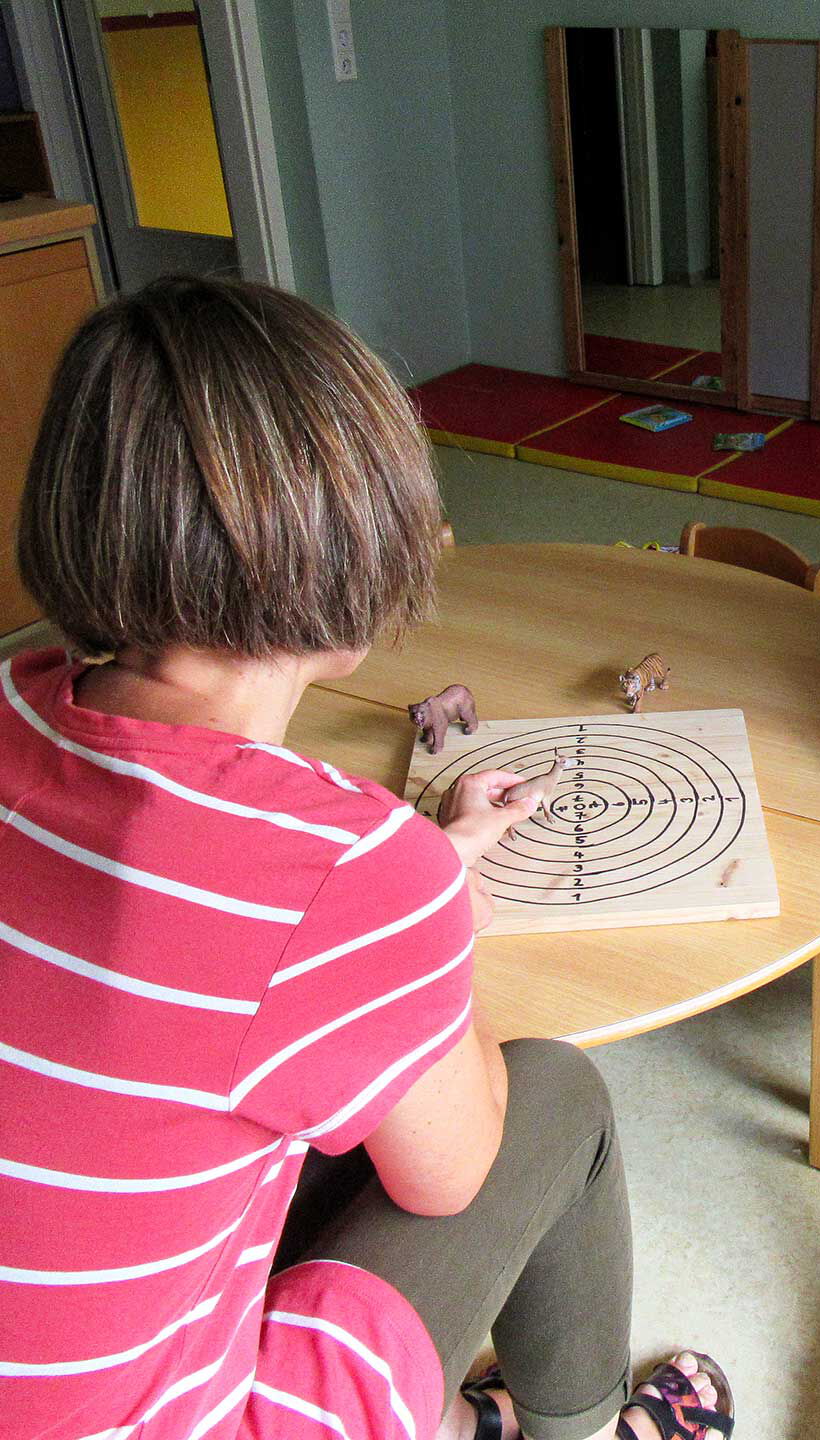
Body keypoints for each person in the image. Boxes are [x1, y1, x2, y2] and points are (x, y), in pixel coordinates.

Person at [0, 276, 734, 1440]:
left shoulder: (16, 696)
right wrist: (423, 902)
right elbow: (451, 1175)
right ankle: (588, 1425)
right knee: (554, 1096)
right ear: (349, 553)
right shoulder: (350, 871)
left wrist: (400, 887)